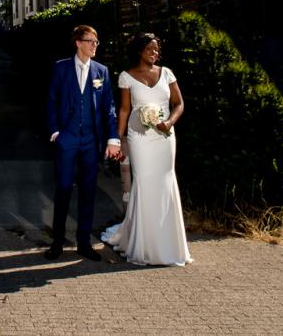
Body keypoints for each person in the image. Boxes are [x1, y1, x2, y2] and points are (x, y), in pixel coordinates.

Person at [102, 32, 192, 266]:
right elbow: (124, 110)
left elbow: (179, 103)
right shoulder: (126, 77)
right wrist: (117, 138)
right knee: (143, 182)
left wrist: (169, 123)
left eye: (157, 49)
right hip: (139, 139)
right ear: (140, 50)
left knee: (165, 183)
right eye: (151, 49)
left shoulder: (167, 73)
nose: (155, 52)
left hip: (165, 138)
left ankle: (168, 245)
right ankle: (143, 245)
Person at [45, 24, 122, 261]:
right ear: (78, 43)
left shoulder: (102, 71)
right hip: (67, 139)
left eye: (96, 42)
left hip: (91, 140)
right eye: (90, 41)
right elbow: (51, 101)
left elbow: (109, 107)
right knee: (64, 189)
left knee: (88, 191)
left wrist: (112, 138)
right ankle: (57, 242)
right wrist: (56, 131)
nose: (94, 45)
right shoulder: (61, 68)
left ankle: (83, 242)